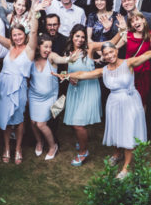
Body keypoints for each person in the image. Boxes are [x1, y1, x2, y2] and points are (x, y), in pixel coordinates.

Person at [54, 41, 148, 179]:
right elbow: (82, 74)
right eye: (106, 54)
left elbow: (147, 54)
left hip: (130, 103)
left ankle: (125, 169)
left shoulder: (128, 63)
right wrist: (67, 75)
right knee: (116, 129)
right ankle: (117, 154)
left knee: (128, 132)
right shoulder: (103, 71)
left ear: (116, 50)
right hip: (113, 103)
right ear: (103, 57)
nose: (109, 56)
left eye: (111, 52)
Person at [62, 24, 120, 166]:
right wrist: (69, 78)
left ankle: (83, 152)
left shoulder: (90, 47)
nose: (80, 39)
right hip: (75, 90)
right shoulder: (67, 51)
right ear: (72, 36)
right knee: (76, 121)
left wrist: (122, 31)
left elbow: (111, 42)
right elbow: (66, 71)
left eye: (82, 36)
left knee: (78, 124)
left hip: (90, 89)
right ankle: (82, 141)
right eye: (77, 36)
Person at [0, 6, 39, 165]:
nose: (17, 38)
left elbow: (33, 32)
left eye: (19, 34)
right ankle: (6, 148)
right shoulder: (11, 46)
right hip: (3, 85)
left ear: (24, 35)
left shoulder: (30, 49)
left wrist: (35, 14)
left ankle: (18, 148)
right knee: (5, 117)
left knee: (18, 119)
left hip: (19, 86)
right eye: (14, 35)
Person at [29, 34, 80, 160]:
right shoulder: (32, 58)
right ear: (38, 46)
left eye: (50, 47)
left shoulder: (51, 57)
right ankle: (39, 142)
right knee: (32, 122)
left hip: (49, 97)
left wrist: (68, 59)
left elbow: (60, 59)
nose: (48, 49)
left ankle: (53, 146)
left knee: (41, 124)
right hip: (33, 95)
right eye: (45, 46)